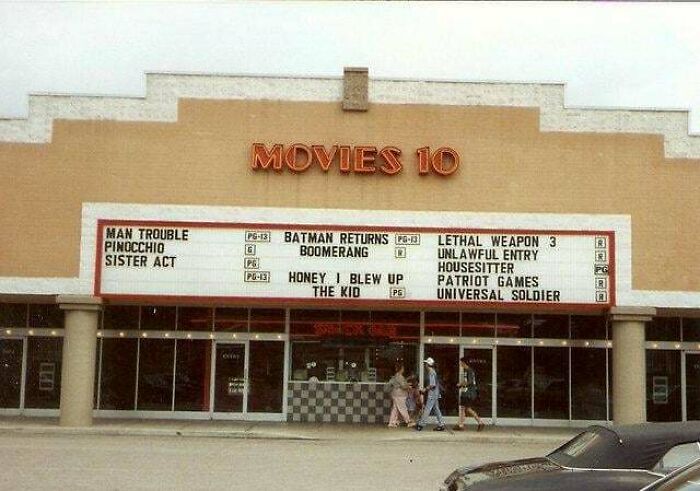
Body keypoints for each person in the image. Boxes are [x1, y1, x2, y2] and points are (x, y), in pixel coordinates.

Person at [454, 356, 485, 431]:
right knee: (462, 408)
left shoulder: (469, 371)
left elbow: (470, 382)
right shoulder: (466, 370)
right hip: (465, 392)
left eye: (461, 362)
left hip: (469, 393)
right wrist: (461, 384)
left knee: (467, 408)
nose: (460, 363)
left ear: (463, 362)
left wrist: (461, 384)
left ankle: (480, 422)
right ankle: (460, 425)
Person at [416, 357, 446, 431]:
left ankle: (421, 424)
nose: (425, 365)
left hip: (432, 393)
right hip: (435, 393)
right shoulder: (433, 371)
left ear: (428, 364)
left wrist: (424, 389)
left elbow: (432, 384)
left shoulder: (431, 372)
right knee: (436, 408)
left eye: (426, 363)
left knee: (427, 408)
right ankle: (441, 424)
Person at [386, 363, 412, 427]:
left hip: (395, 394)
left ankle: (392, 422)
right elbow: (403, 386)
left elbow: (394, 384)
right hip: (400, 395)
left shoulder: (395, 376)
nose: (403, 369)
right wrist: (408, 386)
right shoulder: (399, 376)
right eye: (403, 368)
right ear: (401, 369)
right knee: (403, 408)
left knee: (395, 409)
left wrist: (407, 383)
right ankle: (408, 421)